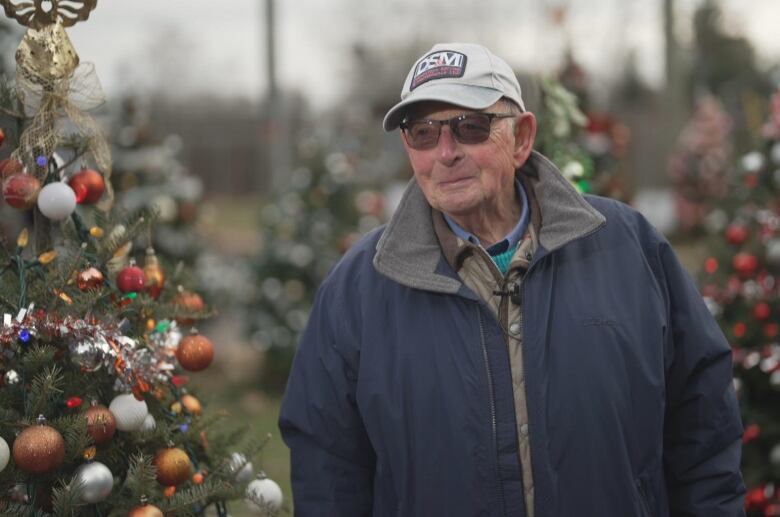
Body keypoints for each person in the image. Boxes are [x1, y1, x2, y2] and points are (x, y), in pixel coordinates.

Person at [279, 42, 745, 517]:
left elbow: (703, 428)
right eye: (423, 132)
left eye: (470, 127)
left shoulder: (629, 248)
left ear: (521, 138)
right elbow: (327, 471)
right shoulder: (357, 289)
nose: (446, 152)